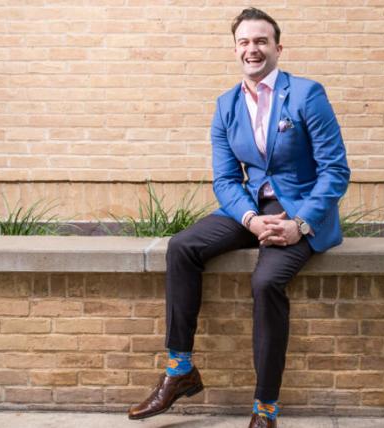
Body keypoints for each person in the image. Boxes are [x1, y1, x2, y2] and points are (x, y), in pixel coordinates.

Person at [128, 7, 350, 428]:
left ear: (278, 48)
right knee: (182, 247)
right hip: (251, 208)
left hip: (299, 209)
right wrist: (249, 219)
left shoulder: (306, 95)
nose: (253, 49)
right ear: (235, 49)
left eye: (261, 41)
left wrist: (299, 224)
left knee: (266, 282)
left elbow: (336, 170)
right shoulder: (226, 105)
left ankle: (265, 409)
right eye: (245, 42)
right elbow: (226, 178)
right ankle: (179, 370)